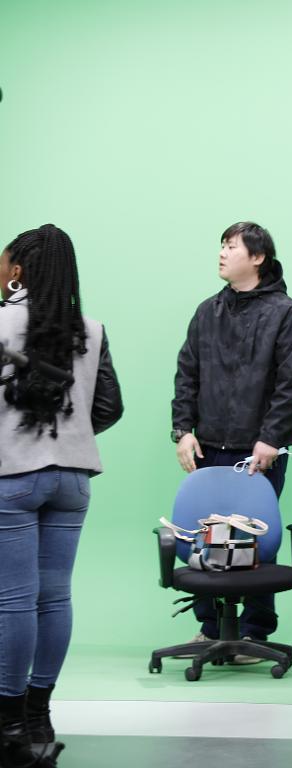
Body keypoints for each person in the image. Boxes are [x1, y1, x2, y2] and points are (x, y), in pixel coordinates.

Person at [0, 225, 123, 765]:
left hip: (12, 477)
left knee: (13, 600)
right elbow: (109, 407)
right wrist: (67, 435)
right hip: (72, 480)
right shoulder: (91, 330)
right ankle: (38, 715)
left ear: (19, 271)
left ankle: (7, 724)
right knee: (54, 598)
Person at [171, 222, 292, 649]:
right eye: (222, 246)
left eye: (231, 247)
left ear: (258, 257)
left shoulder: (286, 314)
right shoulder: (206, 312)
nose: (222, 253)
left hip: (257, 449)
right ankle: (211, 629)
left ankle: (254, 631)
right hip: (208, 444)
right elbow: (187, 374)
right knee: (204, 535)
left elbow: (291, 383)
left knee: (254, 537)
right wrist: (183, 431)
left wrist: (271, 438)